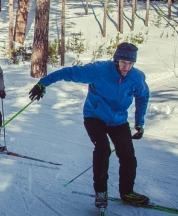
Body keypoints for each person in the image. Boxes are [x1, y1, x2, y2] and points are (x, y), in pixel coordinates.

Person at [28, 42, 150, 207]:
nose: (126, 67)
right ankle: (101, 192)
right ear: (116, 60)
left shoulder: (136, 77)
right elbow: (69, 72)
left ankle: (127, 192)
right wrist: (43, 83)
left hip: (118, 120)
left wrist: (139, 122)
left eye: (130, 63)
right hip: (94, 116)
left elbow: (142, 97)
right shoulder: (99, 70)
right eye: (123, 62)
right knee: (103, 149)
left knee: (128, 156)